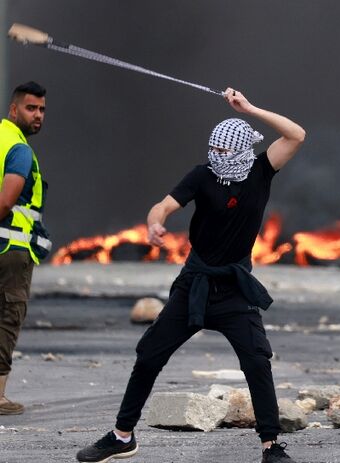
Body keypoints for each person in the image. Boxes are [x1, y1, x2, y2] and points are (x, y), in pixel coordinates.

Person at [76, 88, 305, 463]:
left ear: (242, 150)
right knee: (149, 354)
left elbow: (296, 134)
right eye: (212, 148)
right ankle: (121, 437)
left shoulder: (261, 171)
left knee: (256, 361)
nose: (215, 155)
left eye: (223, 150)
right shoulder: (203, 175)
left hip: (234, 289)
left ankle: (271, 446)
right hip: (195, 284)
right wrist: (154, 223)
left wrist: (249, 108)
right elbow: (163, 206)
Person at [0, 81, 50, 416]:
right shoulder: (19, 149)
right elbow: (7, 200)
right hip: (11, 250)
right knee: (8, 316)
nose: (38, 115)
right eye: (31, 108)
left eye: (42, 109)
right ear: (13, 109)